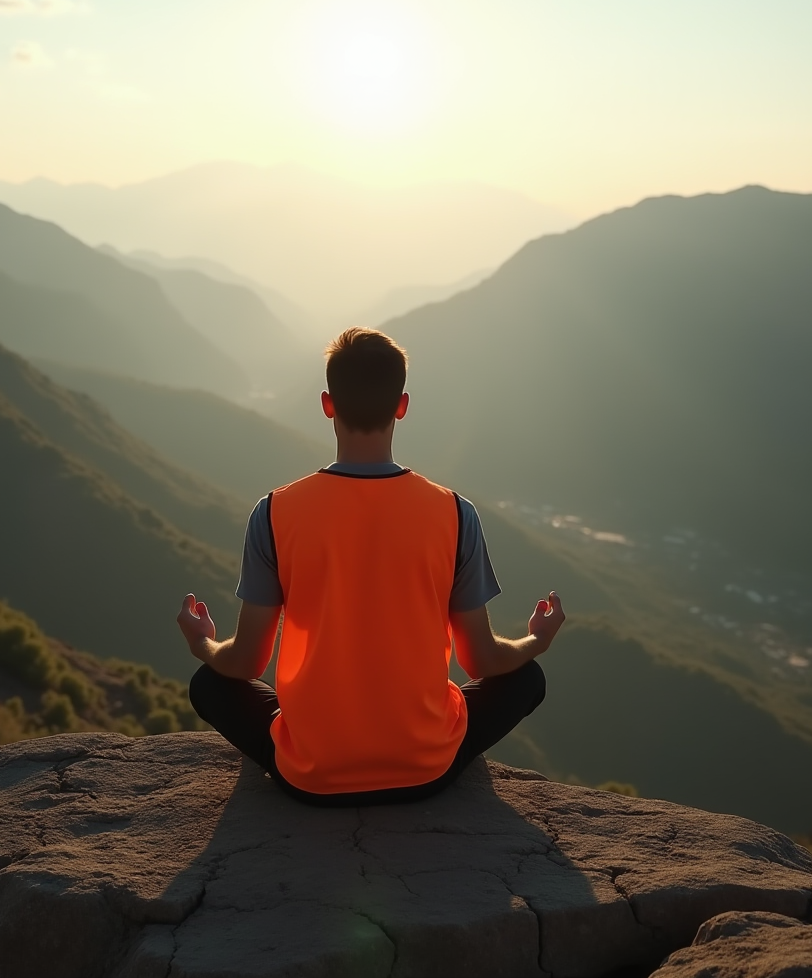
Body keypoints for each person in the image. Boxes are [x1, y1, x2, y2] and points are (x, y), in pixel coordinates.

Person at [177, 326, 565, 806]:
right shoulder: (455, 514)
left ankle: (316, 740)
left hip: (312, 777)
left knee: (209, 684)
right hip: (425, 770)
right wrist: (537, 640)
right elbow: (482, 661)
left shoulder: (274, 512)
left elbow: (247, 663)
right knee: (526, 678)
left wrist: (203, 643)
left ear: (327, 404)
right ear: (402, 405)